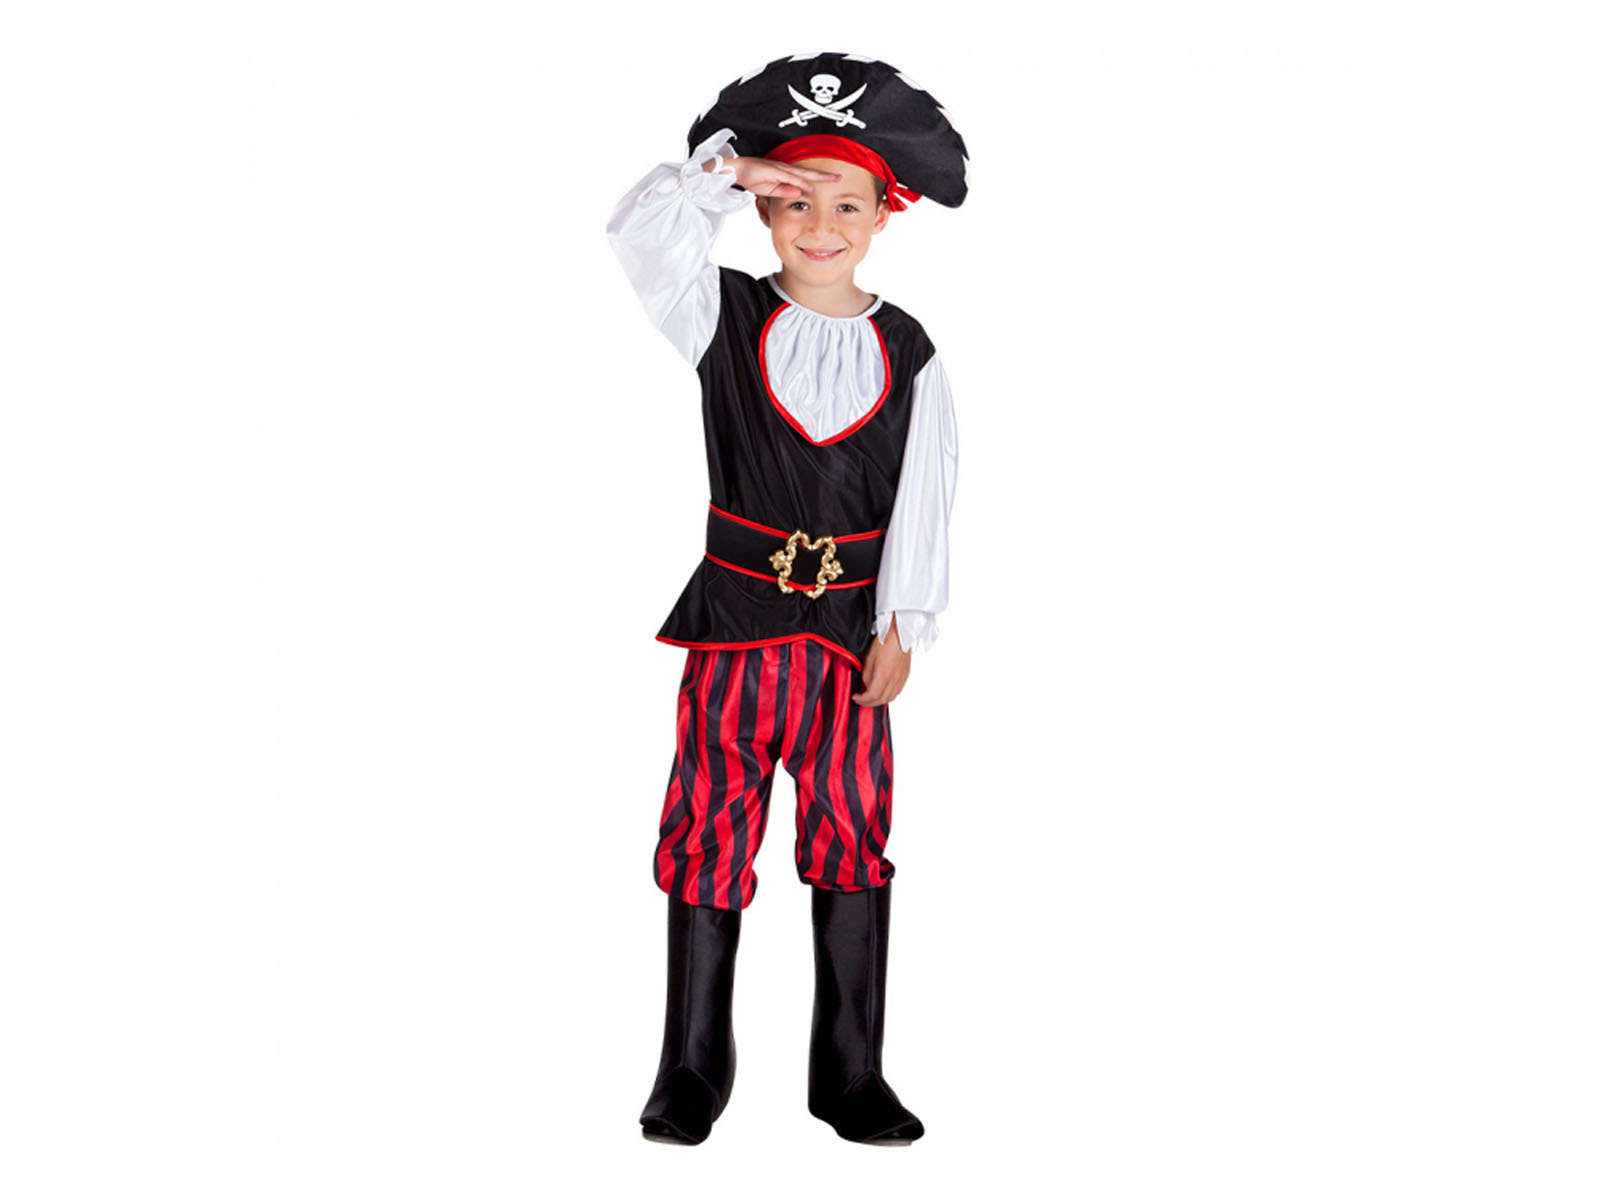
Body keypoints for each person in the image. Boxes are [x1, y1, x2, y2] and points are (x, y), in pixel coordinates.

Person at [604, 51, 967, 1146]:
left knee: (852, 828)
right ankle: (691, 1066)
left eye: (845, 203)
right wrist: (732, 172)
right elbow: (643, 231)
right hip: (734, 631)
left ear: (884, 216)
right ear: (766, 211)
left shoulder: (908, 349)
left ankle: (850, 1072)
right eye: (797, 200)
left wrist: (904, 621)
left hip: (849, 641)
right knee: (707, 822)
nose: (820, 224)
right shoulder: (718, 315)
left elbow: (927, 489)